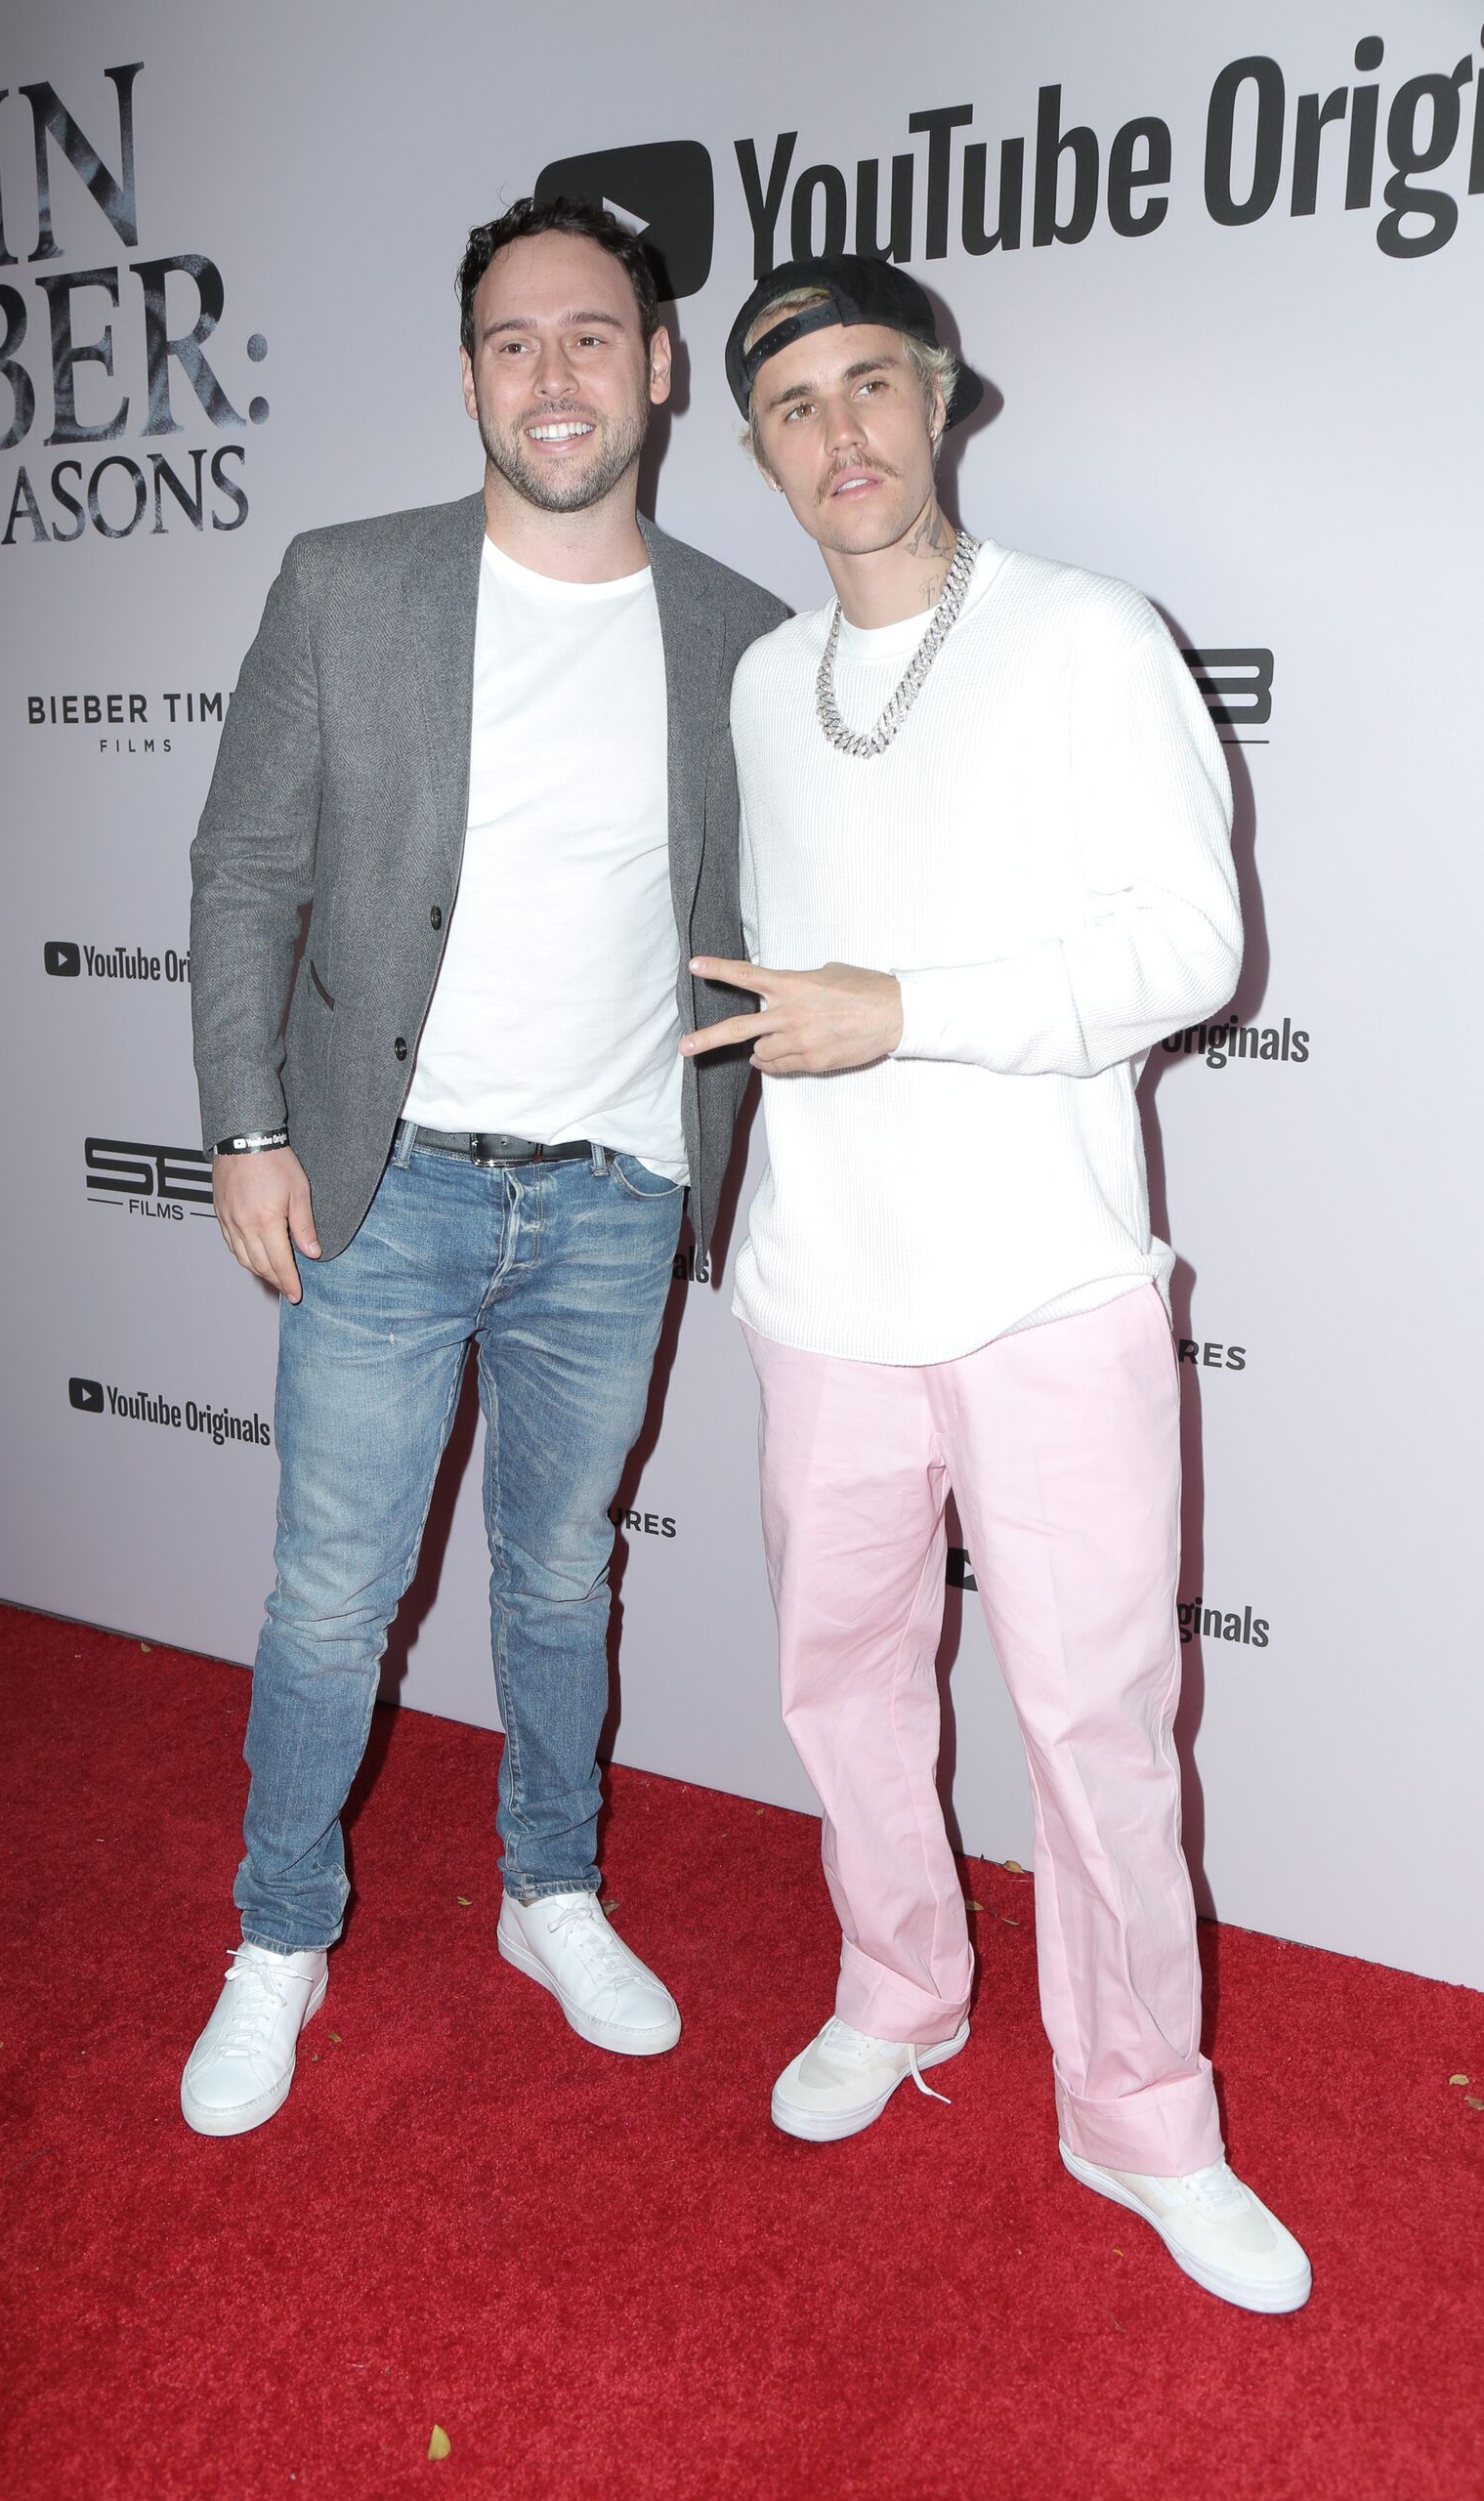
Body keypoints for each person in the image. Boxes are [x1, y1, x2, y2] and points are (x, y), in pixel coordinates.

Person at [683, 253, 1309, 2314]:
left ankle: (1141, 2109)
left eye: (872, 384)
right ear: (758, 446)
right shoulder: (763, 683)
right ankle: (896, 1983)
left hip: (1047, 1286)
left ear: (943, 399)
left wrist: (905, 1009)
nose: (839, 432)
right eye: (793, 405)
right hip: (817, 1292)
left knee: (1098, 1724)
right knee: (840, 1690)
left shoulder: (1085, 636)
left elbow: (1187, 950)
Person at [180, 197, 784, 2137]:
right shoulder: (345, 585)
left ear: (656, 366)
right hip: (387, 1186)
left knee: (560, 1574)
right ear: (467, 380)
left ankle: (550, 1889)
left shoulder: (739, 637)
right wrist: (246, 1128)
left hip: (614, 1198)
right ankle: (279, 1932)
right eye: (512, 342)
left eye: (591, 334)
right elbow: (243, 871)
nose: (553, 375)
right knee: (330, 1596)